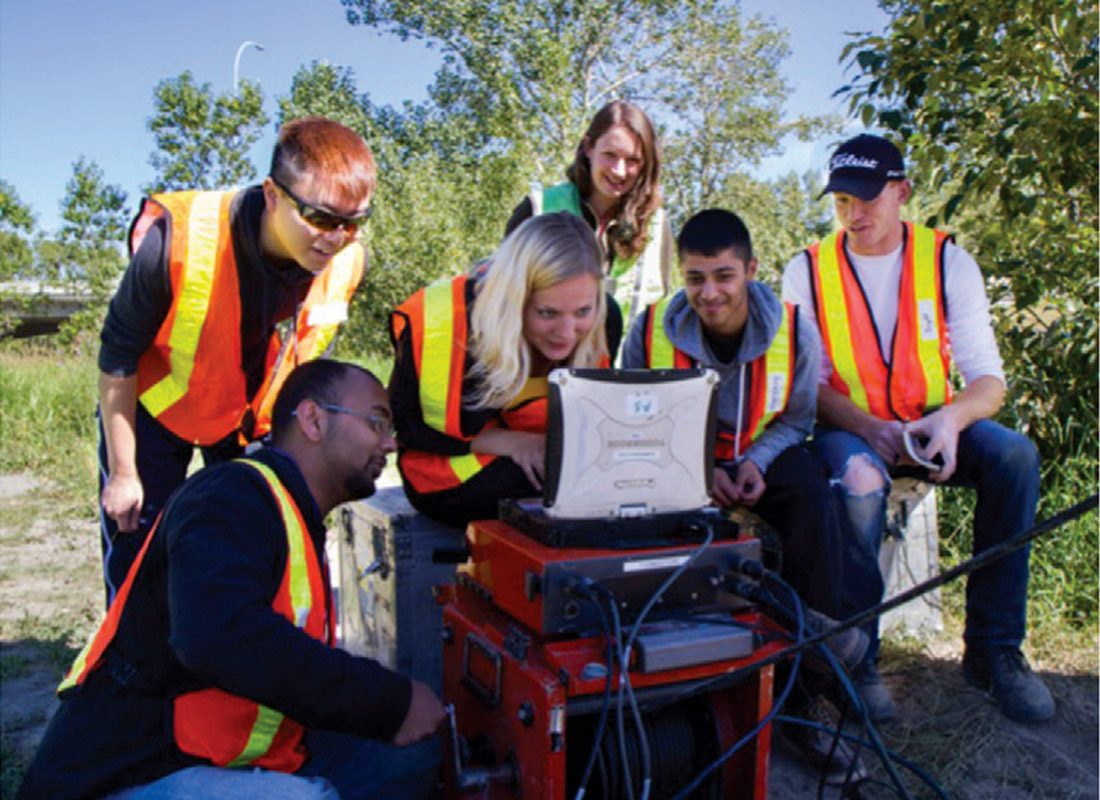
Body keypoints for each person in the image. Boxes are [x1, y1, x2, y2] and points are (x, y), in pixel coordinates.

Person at [17, 359, 446, 800]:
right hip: (131, 769)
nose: (390, 443)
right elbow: (219, 636)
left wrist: (390, 708)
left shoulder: (292, 513)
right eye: (377, 421)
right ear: (314, 420)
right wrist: (385, 700)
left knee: (413, 754)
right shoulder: (228, 495)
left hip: (219, 755)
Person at [782, 133, 1052, 724]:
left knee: (1015, 458)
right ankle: (859, 660)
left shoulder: (948, 259)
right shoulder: (805, 269)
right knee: (859, 483)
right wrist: (872, 429)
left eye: (868, 198)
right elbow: (806, 389)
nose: (855, 213)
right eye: (843, 200)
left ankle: (994, 650)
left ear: (902, 192)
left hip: (934, 425)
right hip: (847, 428)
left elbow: (990, 382)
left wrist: (951, 420)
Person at [622, 209, 872, 778]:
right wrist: (700, 468)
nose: (709, 293)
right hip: (678, 461)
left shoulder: (794, 328)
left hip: (765, 452)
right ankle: (668, 681)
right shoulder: (647, 328)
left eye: (724, 276)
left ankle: (809, 687)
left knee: (813, 497)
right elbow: (634, 422)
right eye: (694, 278)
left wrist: (756, 463)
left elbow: (797, 421)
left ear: (751, 271)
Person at [97, 116, 374, 605]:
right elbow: (117, 358)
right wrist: (123, 472)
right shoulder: (176, 242)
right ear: (272, 194)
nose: (336, 237)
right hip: (156, 411)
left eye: (353, 222)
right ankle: (137, 675)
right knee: (140, 564)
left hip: (249, 418)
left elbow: (308, 369)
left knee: (258, 540)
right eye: (320, 217)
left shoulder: (346, 260)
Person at [390, 211, 612, 526]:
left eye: (582, 311)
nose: (566, 332)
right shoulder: (446, 322)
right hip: (447, 473)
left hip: (547, 460)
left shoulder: (606, 323)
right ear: (513, 299)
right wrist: (514, 443)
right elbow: (408, 428)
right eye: (547, 312)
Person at [504, 100, 674, 350]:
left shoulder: (658, 226)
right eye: (610, 155)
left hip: (628, 379)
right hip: (545, 377)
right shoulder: (538, 208)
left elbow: (662, 315)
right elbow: (502, 302)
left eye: (633, 160)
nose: (619, 171)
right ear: (588, 148)